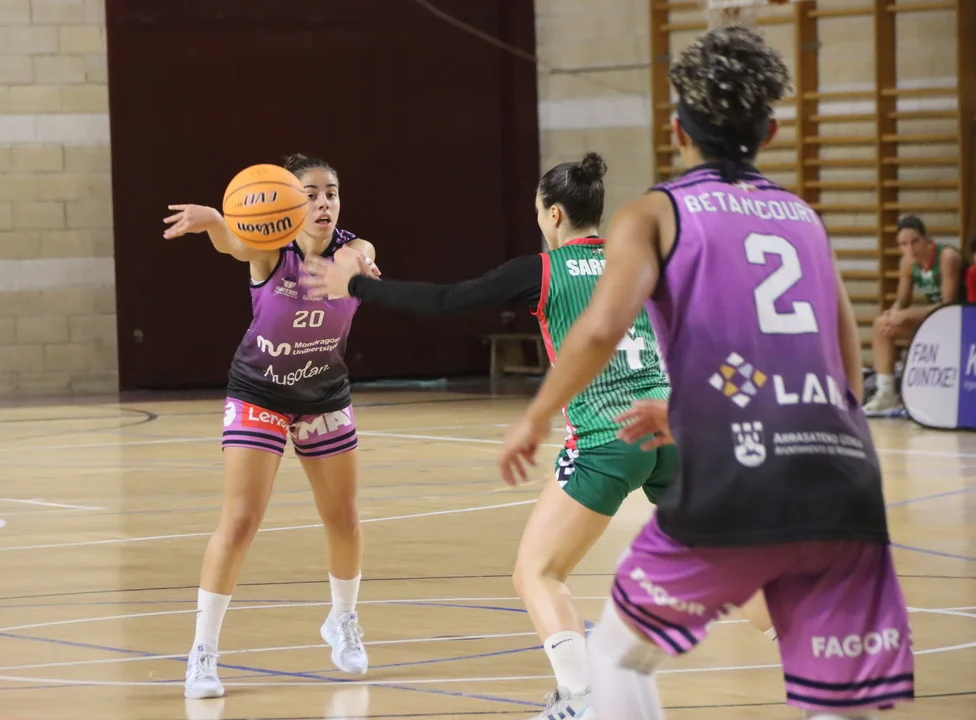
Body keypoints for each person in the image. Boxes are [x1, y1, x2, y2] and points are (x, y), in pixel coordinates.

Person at [499, 26, 913, 720]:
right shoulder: (803, 217)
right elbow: (845, 366)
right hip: (841, 475)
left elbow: (599, 330)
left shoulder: (657, 213)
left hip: (739, 469)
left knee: (617, 655)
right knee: (838, 699)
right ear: (771, 133)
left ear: (677, 131)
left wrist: (536, 417)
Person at [303, 152, 774, 720]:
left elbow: (445, 301)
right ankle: (816, 648)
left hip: (607, 437)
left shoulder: (543, 271)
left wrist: (356, 285)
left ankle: (581, 700)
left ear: (553, 215)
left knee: (537, 573)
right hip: (670, 429)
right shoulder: (641, 261)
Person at [163, 154, 380, 700]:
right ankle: (202, 652)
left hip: (323, 393)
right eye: (311, 193)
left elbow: (360, 255)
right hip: (259, 391)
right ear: (286, 201)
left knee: (344, 517)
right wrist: (215, 220)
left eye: (331, 192)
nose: (323, 202)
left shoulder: (354, 248)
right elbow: (234, 245)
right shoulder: (269, 251)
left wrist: (355, 265)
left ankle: (342, 620)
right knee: (239, 521)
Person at [863, 216, 962, 416]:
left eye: (915, 241)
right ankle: (886, 393)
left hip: (958, 324)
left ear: (927, 238)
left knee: (896, 321)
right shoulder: (907, 263)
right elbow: (902, 300)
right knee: (882, 325)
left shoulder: (947, 257)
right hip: (935, 322)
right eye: (904, 244)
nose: (910, 248)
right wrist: (893, 313)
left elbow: (948, 306)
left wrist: (907, 315)